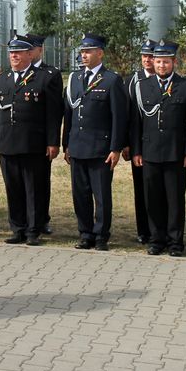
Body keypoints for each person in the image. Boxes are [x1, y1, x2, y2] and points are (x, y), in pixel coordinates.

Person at [0, 35, 61, 246]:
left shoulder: (43, 77)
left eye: (19, 53)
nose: (14, 56)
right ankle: (17, 228)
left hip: (34, 144)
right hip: (8, 144)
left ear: (29, 54)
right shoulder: (1, 79)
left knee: (34, 189)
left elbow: (53, 114)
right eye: (11, 53)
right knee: (13, 188)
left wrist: (52, 142)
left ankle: (33, 230)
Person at [129, 40, 186, 257]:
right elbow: (136, 122)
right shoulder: (143, 87)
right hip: (150, 153)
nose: (161, 66)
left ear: (174, 62)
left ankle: (176, 241)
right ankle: (156, 239)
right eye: (158, 61)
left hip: (175, 153)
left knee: (175, 199)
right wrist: (137, 151)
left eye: (165, 62)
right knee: (153, 198)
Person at [63, 33, 128, 252]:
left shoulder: (112, 80)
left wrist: (116, 147)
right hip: (78, 146)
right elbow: (69, 114)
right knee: (79, 194)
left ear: (100, 53)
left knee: (101, 195)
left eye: (88, 51)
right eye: (82, 51)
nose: (84, 55)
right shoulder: (75, 79)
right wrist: (66, 144)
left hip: (100, 148)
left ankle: (101, 235)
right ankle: (85, 233)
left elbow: (119, 117)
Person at [27, 32, 64, 236]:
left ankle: (42, 219)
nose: (29, 52)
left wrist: (53, 141)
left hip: (41, 139)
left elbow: (54, 112)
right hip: (22, 139)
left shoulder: (50, 74)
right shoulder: (16, 73)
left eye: (32, 48)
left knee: (41, 183)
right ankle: (27, 220)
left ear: (40, 50)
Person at [123, 39, 156, 245]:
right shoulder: (133, 80)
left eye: (150, 56)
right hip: (139, 143)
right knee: (141, 189)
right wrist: (127, 143)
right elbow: (127, 115)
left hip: (158, 143)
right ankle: (143, 230)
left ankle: (158, 229)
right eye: (144, 56)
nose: (147, 60)